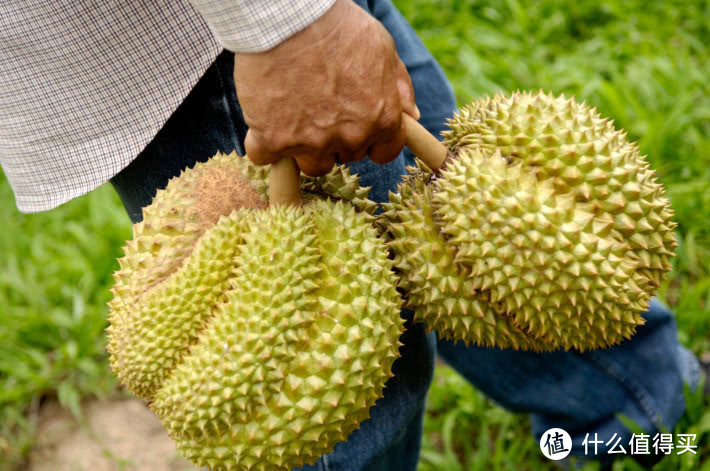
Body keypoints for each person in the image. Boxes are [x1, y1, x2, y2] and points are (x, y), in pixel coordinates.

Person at [0, 0, 701, 469]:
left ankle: (643, 411)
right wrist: (278, 23)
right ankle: (641, 412)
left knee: (459, 219)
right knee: (358, 420)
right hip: (202, 35)